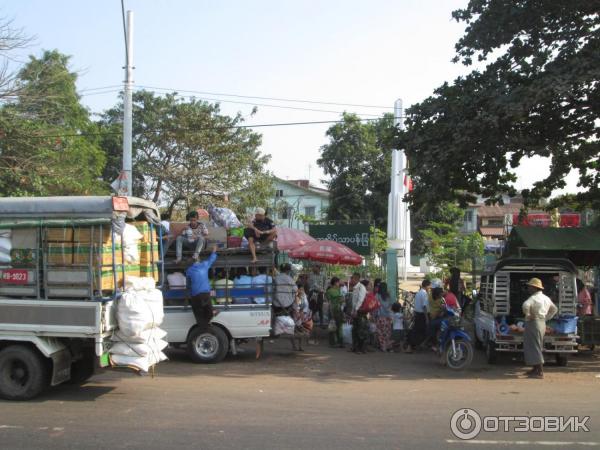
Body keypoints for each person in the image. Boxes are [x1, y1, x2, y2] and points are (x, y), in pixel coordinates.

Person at [522, 277, 558, 379]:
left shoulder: (533, 298)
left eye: (530, 287)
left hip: (533, 323)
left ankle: (540, 371)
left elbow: (525, 306)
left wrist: (528, 314)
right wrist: (546, 318)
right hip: (542, 323)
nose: (528, 289)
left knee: (534, 347)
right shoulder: (546, 298)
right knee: (537, 345)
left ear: (534, 288)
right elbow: (554, 309)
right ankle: (535, 369)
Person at [185, 245, 218, 331]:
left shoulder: (189, 270)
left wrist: (188, 292)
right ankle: (209, 319)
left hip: (195, 295)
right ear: (199, 259)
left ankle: (203, 326)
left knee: (198, 313)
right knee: (208, 310)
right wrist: (214, 250)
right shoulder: (204, 265)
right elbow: (212, 259)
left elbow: (188, 284)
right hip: (205, 294)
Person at [407, 279, 431, 352]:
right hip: (422, 315)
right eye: (429, 286)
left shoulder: (419, 293)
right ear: (426, 286)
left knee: (417, 330)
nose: (430, 288)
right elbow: (424, 306)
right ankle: (412, 345)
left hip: (417, 314)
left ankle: (413, 345)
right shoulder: (424, 294)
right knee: (420, 331)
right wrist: (427, 318)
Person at [350, 273, 368, 354]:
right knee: (355, 330)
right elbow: (354, 301)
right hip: (356, 312)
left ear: (356, 279)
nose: (351, 280)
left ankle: (361, 348)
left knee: (360, 331)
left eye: (352, 278)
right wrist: (353, 311)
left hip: (360, 312)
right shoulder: (355, 288)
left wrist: (356, 310)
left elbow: (360, 300)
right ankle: (356, 347)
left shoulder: (361, 288)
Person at [325, 277, 344, 348]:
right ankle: (334, 342)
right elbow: (329, 302)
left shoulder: (338, 290)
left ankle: (339, 342)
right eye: (338, 282)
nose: (339, 284)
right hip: (333, 310)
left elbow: (340, 300)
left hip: (338, 310)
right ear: (335, 282)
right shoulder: (329, 291)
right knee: (333, 326)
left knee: (338, 326)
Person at [374, 282, 393, 352]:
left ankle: (383, 347)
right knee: (388, 332)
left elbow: (375, 306)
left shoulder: (377, 295)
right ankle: (388, 346)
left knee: (380, 332)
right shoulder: (388, 296)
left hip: (380, 316)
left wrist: (374, 315)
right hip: (388, 316)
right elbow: (391, 305)